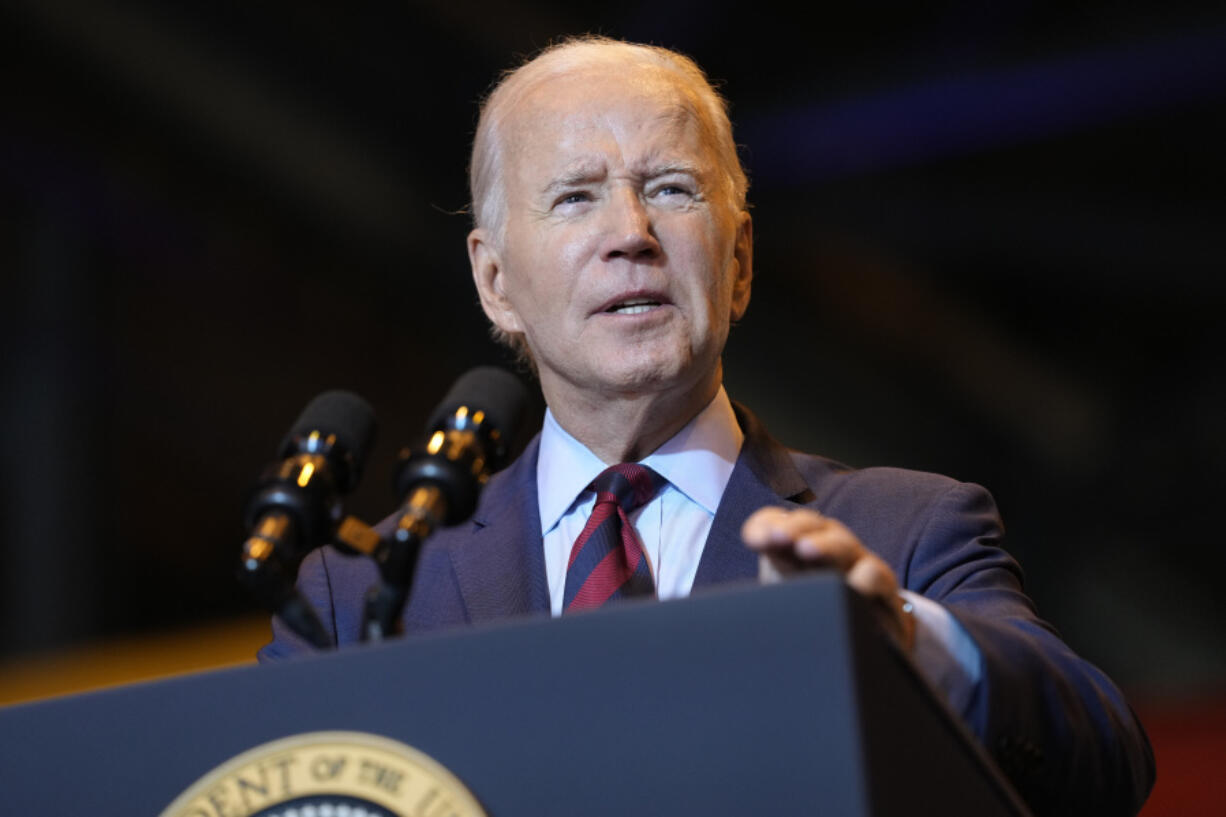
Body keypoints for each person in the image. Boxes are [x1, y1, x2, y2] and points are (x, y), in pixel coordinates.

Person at [260, 36, 1154, 815]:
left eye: (673, 188)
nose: (633, 233)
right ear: (496, 282)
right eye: (575, 197)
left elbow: (1104, 765)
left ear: (739, 263)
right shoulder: (362, 593)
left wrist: (906, 643)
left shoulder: (906, 531)